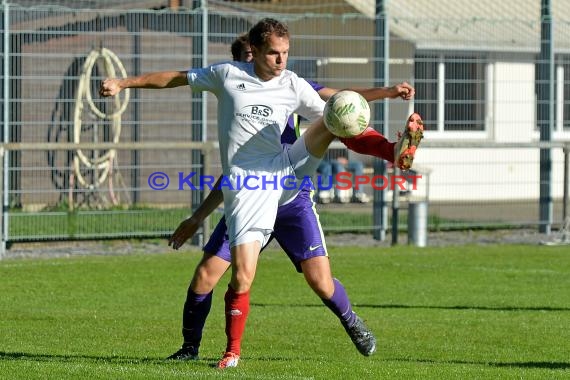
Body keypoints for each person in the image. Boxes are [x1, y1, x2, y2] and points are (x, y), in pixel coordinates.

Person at [99, 18, 423, 369]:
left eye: (285, 53)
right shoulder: (227, 76)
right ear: (251, 55)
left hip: (288, 180)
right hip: (251, 190)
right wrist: (124, 82)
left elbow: (341, 109)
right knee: (226, 275)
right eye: (273, 54)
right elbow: (176, 77)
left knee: (334, 122)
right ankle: (218, 350)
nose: (281, 61)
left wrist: (387, 95)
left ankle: (392, 152)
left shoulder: (293, 84)